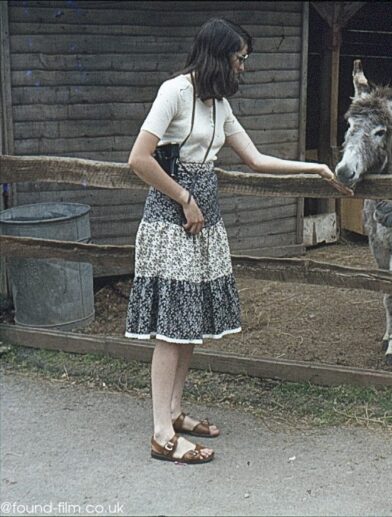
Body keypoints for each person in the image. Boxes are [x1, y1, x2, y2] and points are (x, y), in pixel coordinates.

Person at [125, 17, 352, 464]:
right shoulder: (174, 92)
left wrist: (316, 169)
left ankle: (173, 412)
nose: (242, 67)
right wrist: (185, 197)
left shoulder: (218, 106)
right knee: (171, 327)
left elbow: (256, 159)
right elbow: (139, 159)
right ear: (218, 56)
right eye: (239, 58)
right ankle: (159, 434)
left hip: (201, 222)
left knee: (188, 323)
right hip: (171, 222)